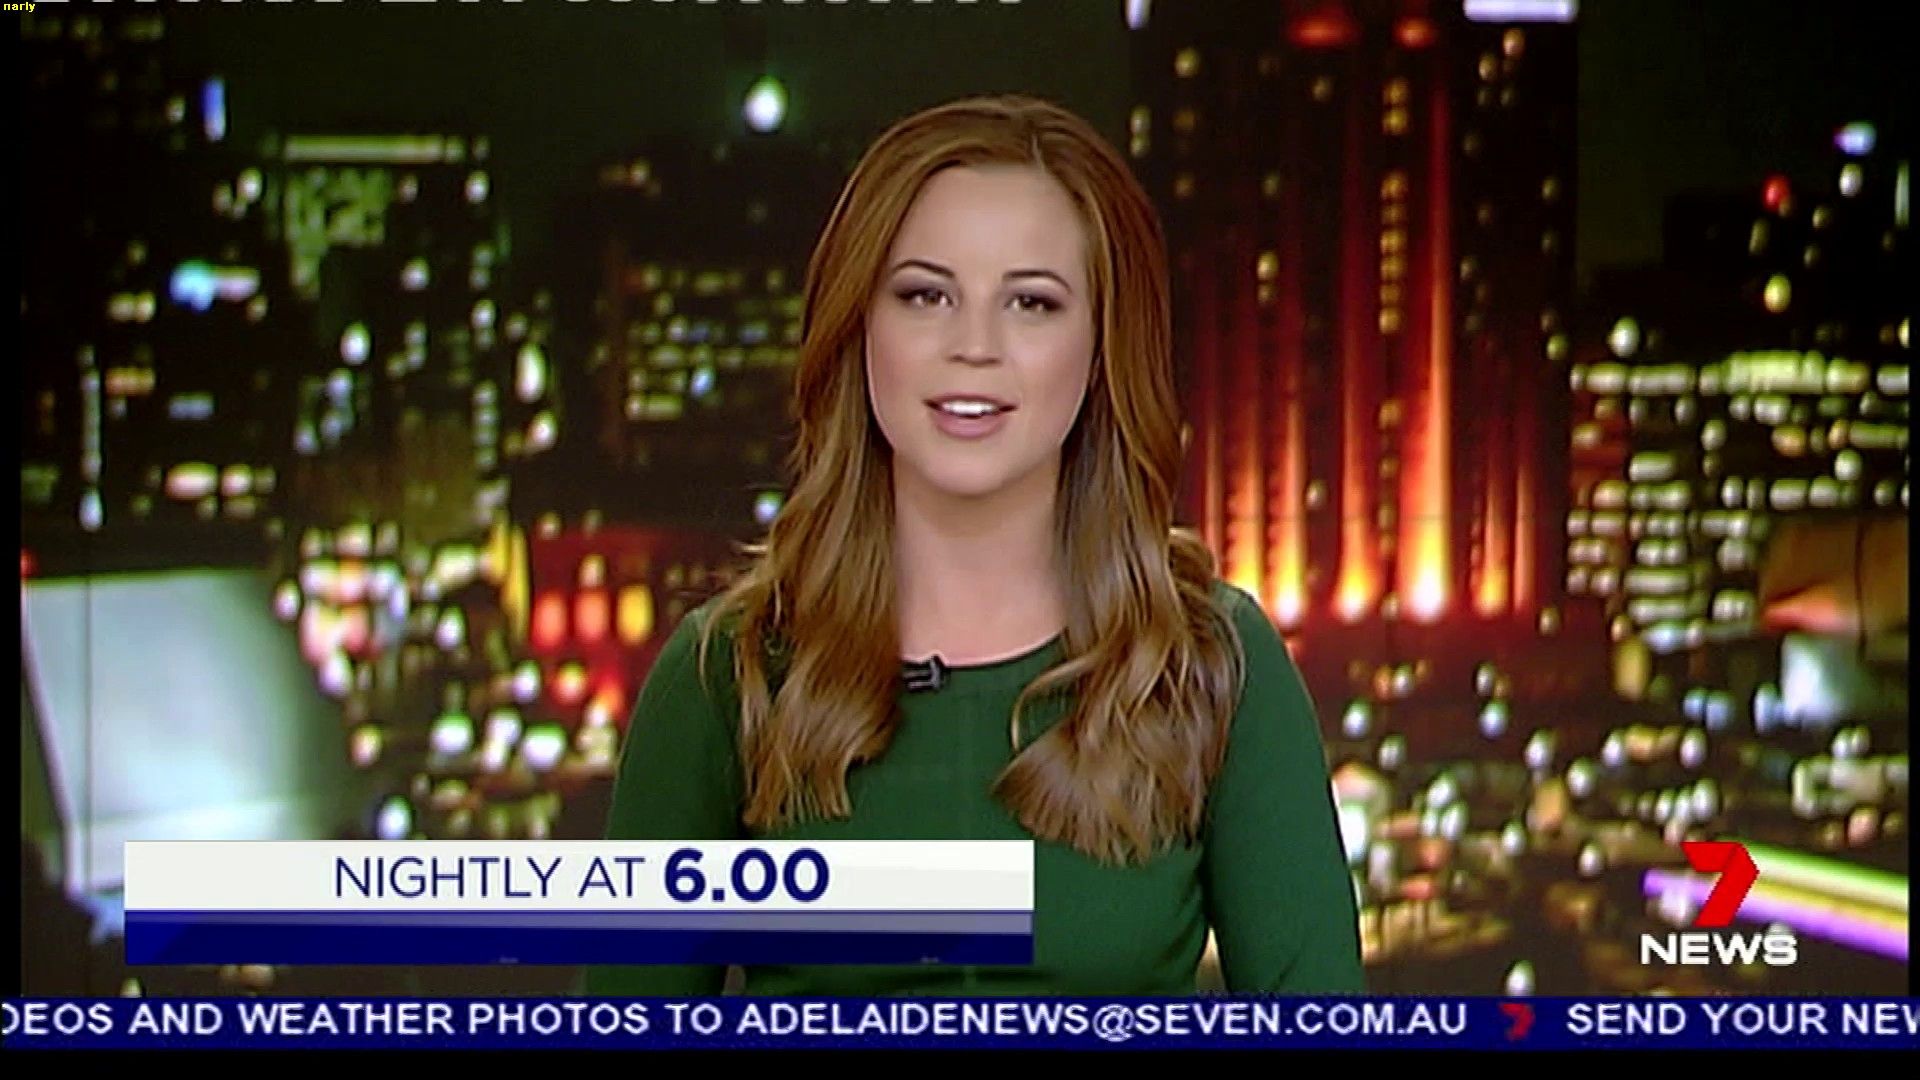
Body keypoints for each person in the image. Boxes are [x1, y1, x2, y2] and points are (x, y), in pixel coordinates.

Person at [586, 95, 1363, 996]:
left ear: (1101, 346)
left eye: (1032, 303)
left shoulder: (1210, 666)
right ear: (860, 325)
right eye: (926, 295)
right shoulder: (731, 674)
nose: (975, 347)